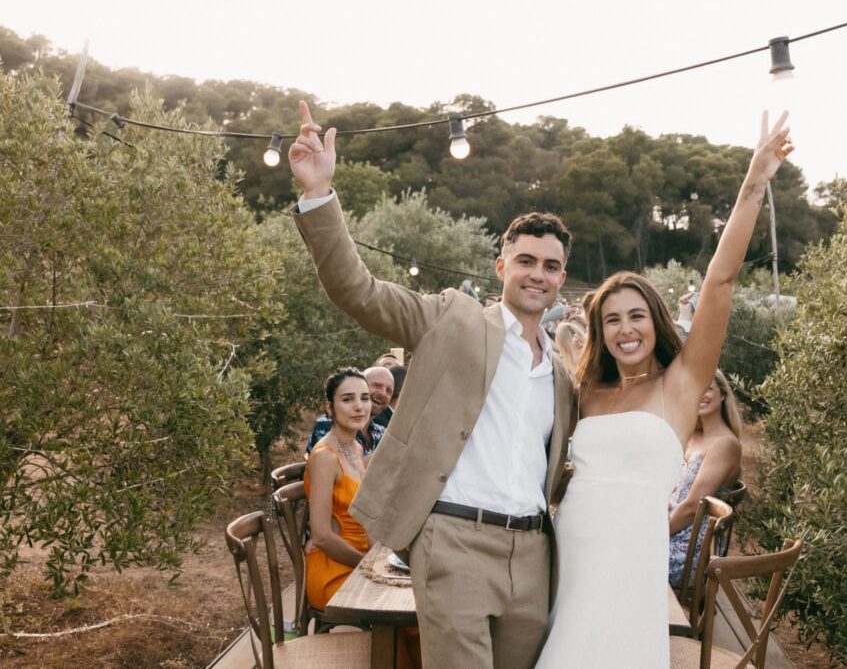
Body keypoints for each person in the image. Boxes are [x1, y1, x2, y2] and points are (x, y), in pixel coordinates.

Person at [288, 100, 574, 669]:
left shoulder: (563, 371)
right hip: (454, 540)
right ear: (502, 267)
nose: (537, 274)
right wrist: (319, 194)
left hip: (533, 555)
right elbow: (360, 292)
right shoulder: (452, 317)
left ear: (562, 278)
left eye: (549, 266)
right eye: (525, 261)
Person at [536, 111, 792, 669]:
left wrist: (755, 178)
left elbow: (720, 279)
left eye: (636, 316)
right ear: (600, 332)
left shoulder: (681, 384)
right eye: (612, 320)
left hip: (634, 555)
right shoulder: (587, 390)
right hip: (571, 546)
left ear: (655, 321)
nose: (625, 329)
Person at [304, 368, 372, 611]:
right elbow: (322, 536)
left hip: (359, 562)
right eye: (347, 399)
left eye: (365, 398)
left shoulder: (355, 449)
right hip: (333, 571)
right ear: (330, 408)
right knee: (407, 614)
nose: (359, 406)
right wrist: (367, 565)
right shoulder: (325, 457)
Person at [667, 369, 742, 588]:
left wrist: (654, 535)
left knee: (623, 557)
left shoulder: (725, 444)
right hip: (674, 525)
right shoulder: (693, 436)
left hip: (691, 547)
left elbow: (693, 507)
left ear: (723, 394)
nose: (700, 395)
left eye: (708, 389)